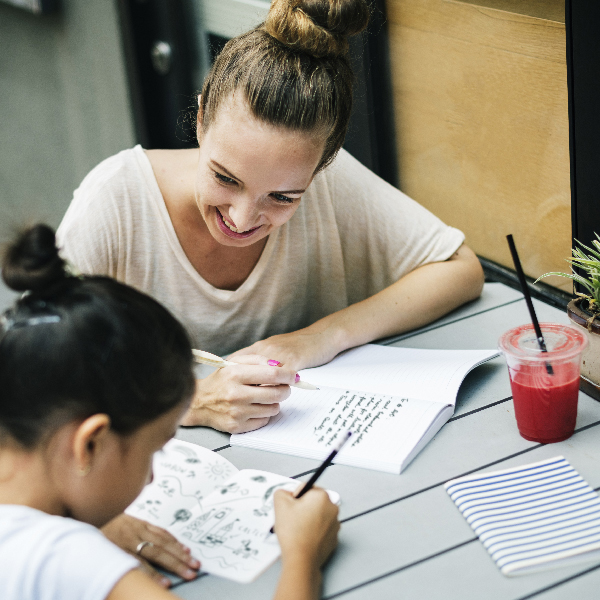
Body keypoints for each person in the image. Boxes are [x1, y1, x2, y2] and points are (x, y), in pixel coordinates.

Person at [57, 0, 484, 435]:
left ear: (321, 167)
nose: (242, 219)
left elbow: (459, 268)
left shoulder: (330, 185)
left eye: (282, 197)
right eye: (225, 177)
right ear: (202, 118)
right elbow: (34, 369)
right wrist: (193, 401)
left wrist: (321, 337)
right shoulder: (116, 202)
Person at [0, 224, 339, 600]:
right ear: (90, 445)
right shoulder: (63, 556)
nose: (150, 480)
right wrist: (303, 555)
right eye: (153, 451)